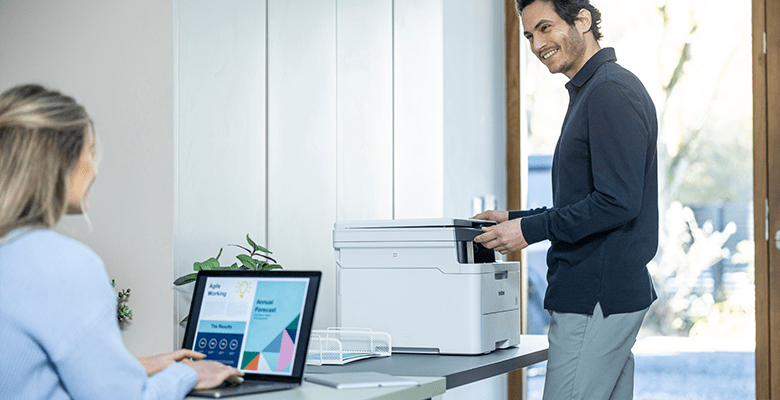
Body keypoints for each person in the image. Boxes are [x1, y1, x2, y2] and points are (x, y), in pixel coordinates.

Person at [0, 84, 243, 399]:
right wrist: (186, 373)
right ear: (61, 159)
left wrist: (137, 366)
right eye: (90, 151)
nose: (95, 171)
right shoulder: (61, 264)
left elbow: (24, 375)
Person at [474, 1, 658, 399]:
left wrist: (528, 230)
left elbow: (617, 202)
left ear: (583, 20)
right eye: (529, 36)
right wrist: (515, 218)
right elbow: (592, 200)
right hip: (599, 293)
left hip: (596, 296)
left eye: (545, 28)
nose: (538, 44)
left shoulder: (608, 91)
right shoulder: (592, 91)